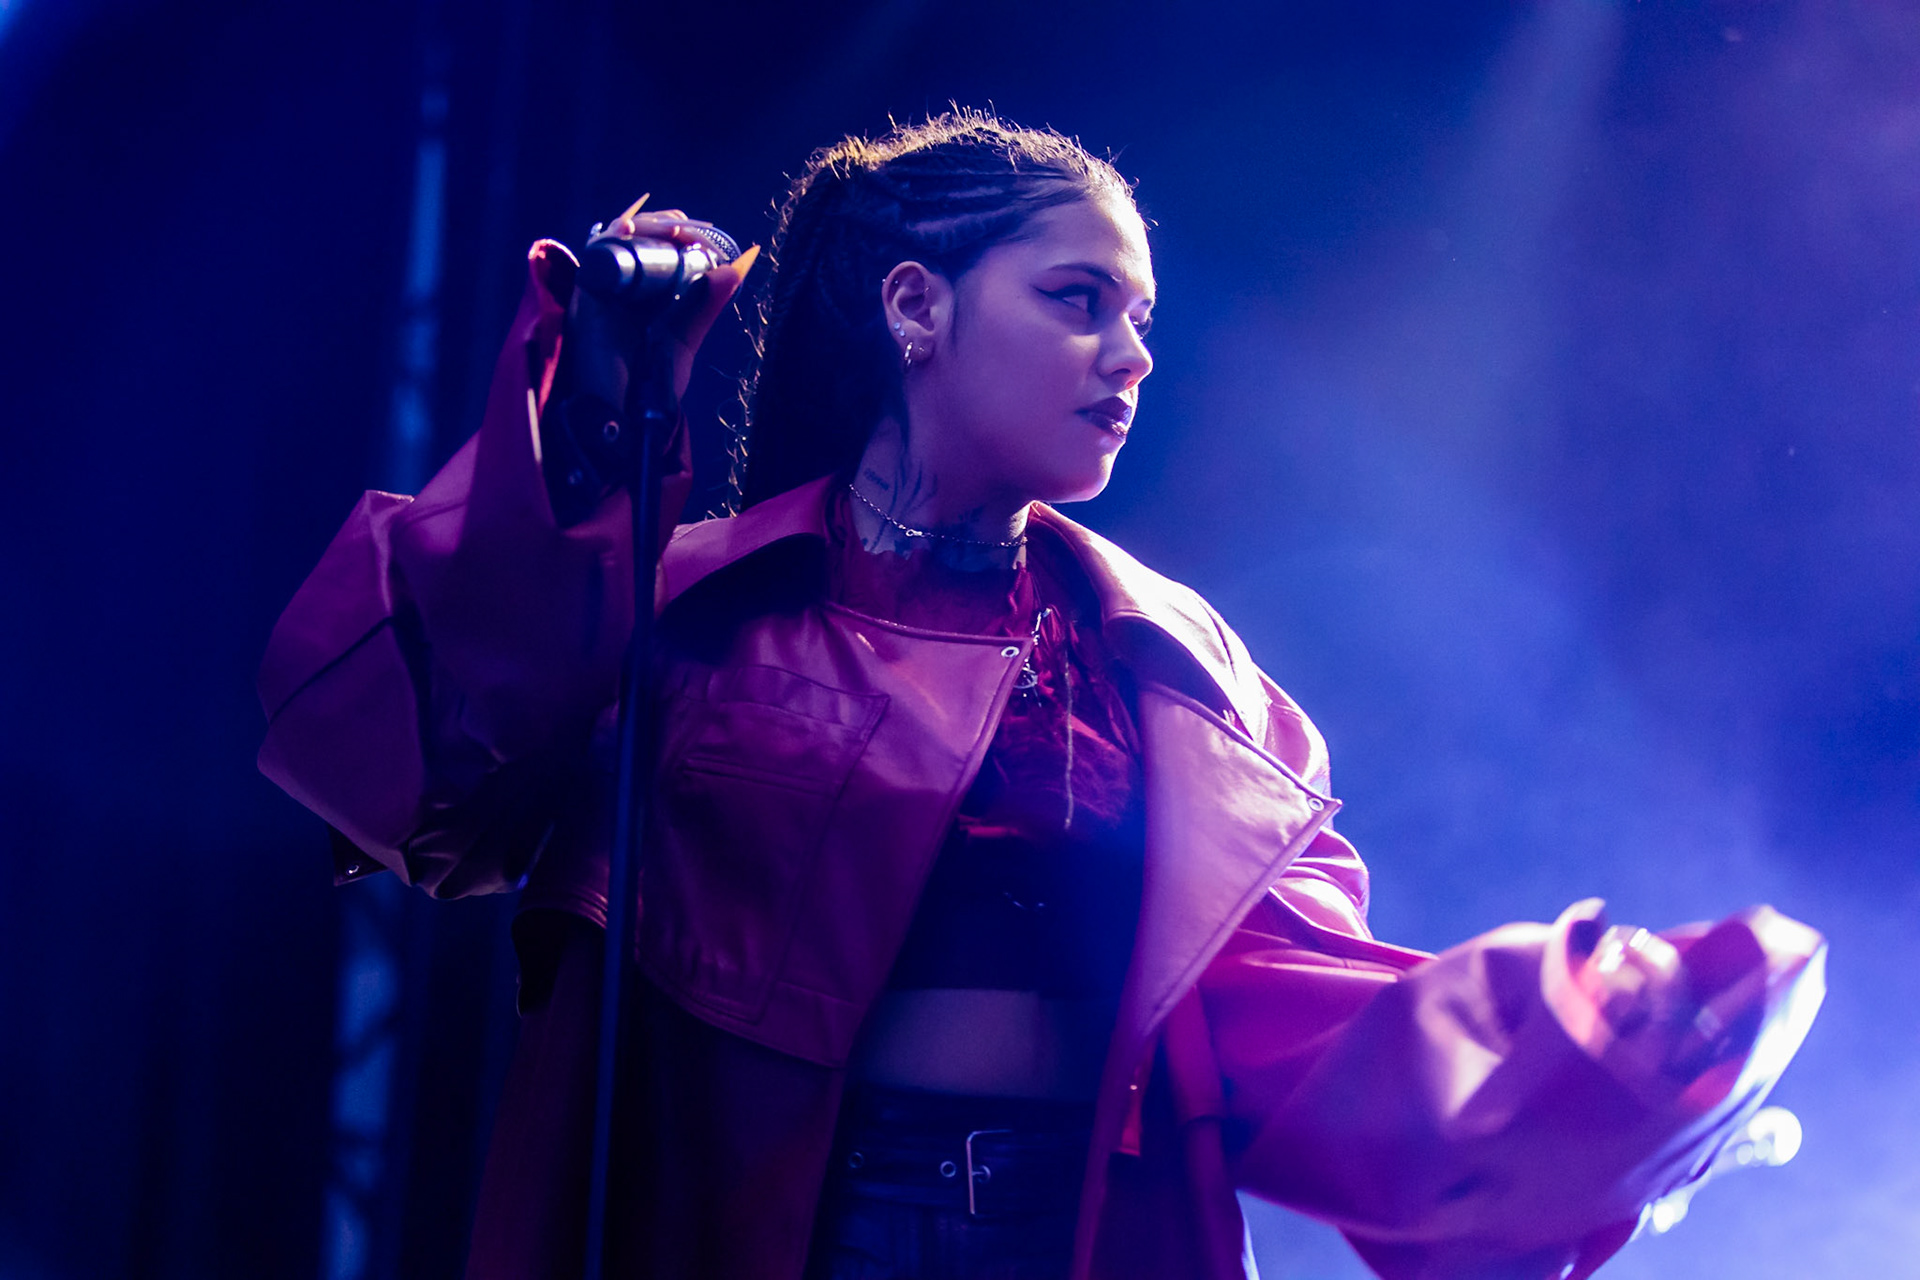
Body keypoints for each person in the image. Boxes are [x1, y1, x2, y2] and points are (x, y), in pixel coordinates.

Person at [257, 111, 1826, 1280]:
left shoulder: (1173, 673)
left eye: (1141, 318)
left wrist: (1591, 1053)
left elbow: (1296, 1019)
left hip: (1072, 1236)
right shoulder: (687, 597)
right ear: (916, 311)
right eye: (1078, 300)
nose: (1131, 355)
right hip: (767, 1236)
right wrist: (599, 407)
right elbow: (416, 761)